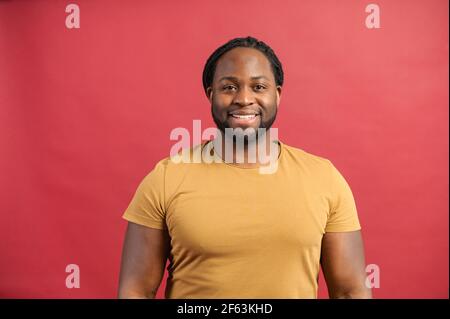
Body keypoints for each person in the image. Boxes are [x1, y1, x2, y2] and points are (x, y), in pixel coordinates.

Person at [118, 36, 372, 299]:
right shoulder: (165, 179)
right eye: (229, 87)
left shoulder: (324, 178)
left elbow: (349, 291)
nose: (244, 98)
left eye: (259, 86)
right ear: (211, 95)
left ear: (278, 94)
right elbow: (135, 291)